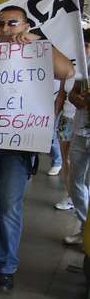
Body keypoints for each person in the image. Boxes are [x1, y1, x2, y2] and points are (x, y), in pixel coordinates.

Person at [0, 5, 75, 292]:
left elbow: (68, 71)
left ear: (27, 25)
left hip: (19, 144)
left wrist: (38, 42)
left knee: (9, 205)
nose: (5, 30)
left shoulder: (39, 49)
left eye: (12, 23)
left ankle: (7, 265)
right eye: (0, 24)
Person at [64, 29, 90, 245]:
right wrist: (79, 101)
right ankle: (85, 225)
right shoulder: (85, 68)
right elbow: (72, 94)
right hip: (81, 131)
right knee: (75, 182)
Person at [54, 79, 77, 211]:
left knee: (80, 162)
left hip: (84, 119)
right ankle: (71, 196)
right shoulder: (71, 60)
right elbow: (62, 93)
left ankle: (81, 195)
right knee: (66, 160)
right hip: (67, 118)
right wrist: (54, 114)